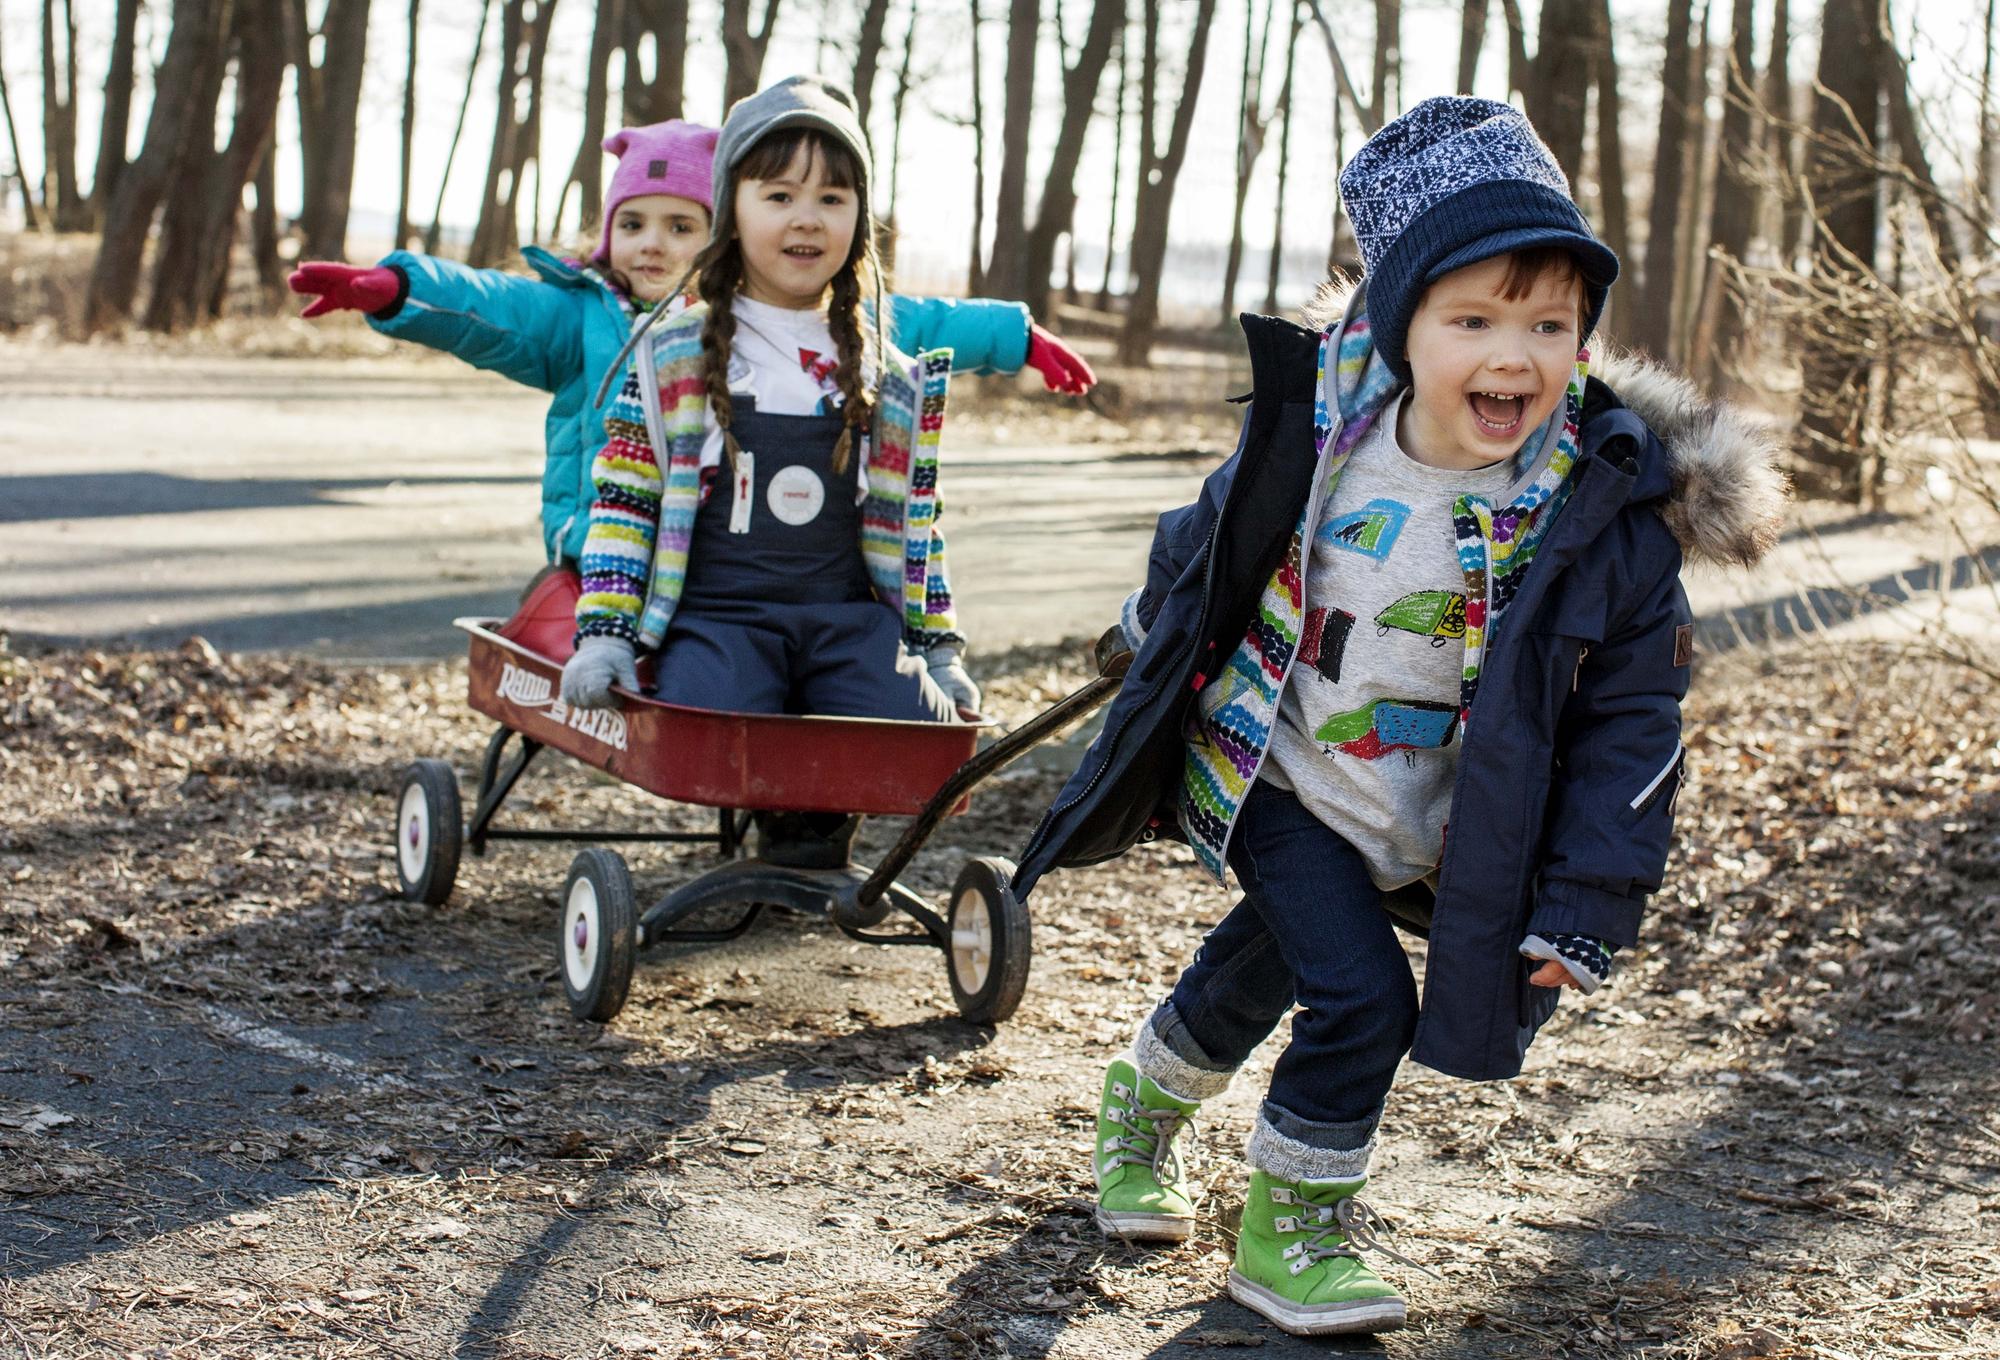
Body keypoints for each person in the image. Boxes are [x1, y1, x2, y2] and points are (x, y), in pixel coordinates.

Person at [1010, 96, 1788, 1336]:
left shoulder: (1596, 510)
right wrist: (1147, 629)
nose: (1512, 356)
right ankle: (1293, 1232)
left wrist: (1585, 903)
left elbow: (1633, 729)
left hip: (1431, 816)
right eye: (1470, 318)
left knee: (1254, 969)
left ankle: (1136, 1112)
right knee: (1364, 995)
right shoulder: (1322, 438)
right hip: (1279, 775)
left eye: (1548, 322)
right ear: (1396, 323)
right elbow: (1205, 542)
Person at [286, 120, 1095, 570]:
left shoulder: (763, 314)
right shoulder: (582, 317)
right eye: (632, 223)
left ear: (723, 235)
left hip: (727, 548)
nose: (650, 243)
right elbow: (491, 308)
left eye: (680, 226)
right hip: (602, 538)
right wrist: (399, 289)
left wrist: (1014, 335)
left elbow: (908, 320)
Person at [558, 75, 987, 728]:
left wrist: (938, 649)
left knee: (913, 728)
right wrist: (607, 632)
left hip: (847, 624)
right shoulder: (675, 356)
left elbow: (915, 527)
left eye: (832, 198)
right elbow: (626, 501)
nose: (807, 217)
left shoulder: (886, 374)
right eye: (780, 195)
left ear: (859, 220)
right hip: (719, 620)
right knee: (712, 720)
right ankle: (782, 810)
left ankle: (813, 825)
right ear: (732, 207)